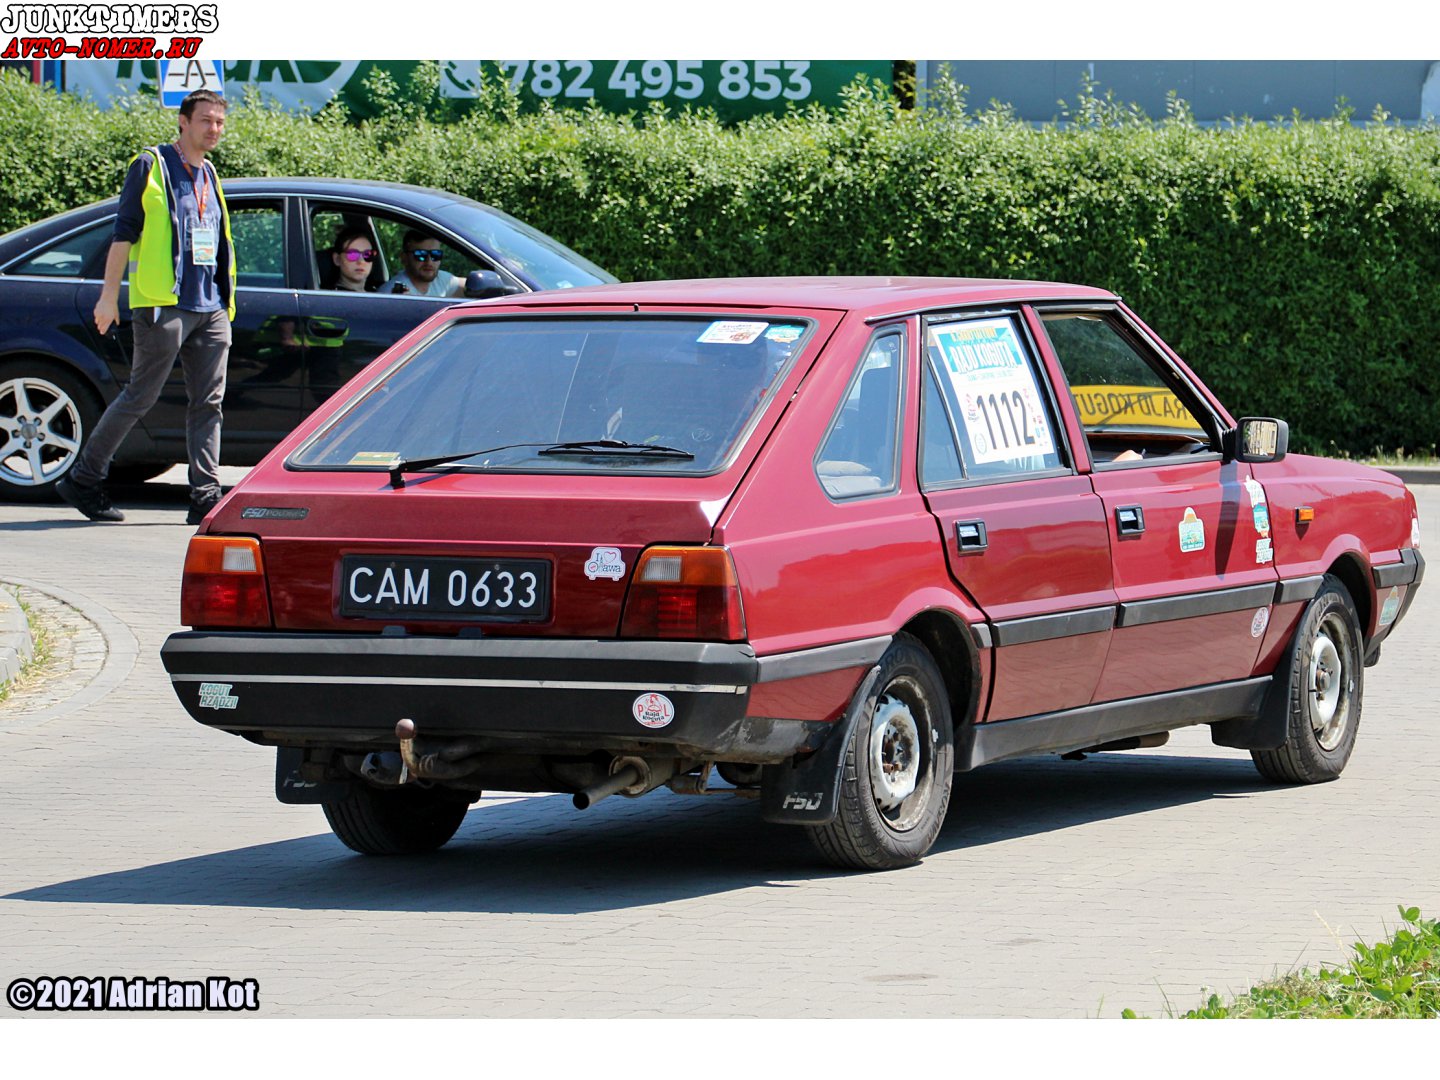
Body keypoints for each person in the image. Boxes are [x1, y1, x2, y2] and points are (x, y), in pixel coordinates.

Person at [57, 88, 235, 525]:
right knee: (141, 395)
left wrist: (227, 297)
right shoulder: (151, 165)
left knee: (208, 403)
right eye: (206, 120)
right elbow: (123, 235)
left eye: (219, 121)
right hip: (162, 303)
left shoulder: (210, 173)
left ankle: (205, 494)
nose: (214, 129)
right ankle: (85, 477)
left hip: (209, 305)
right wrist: (107, 297)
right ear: (183, 121)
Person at [383, 229, 464, 297]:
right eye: (421, 254)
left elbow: (471, 285)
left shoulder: (441, 280)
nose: (429, 261)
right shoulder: (391, 293)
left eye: (435, 255)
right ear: (404, 258)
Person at [329, 225, 379, 292]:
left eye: (368, 254)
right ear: (337, 259)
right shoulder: (332, 297)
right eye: (353, 254)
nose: (361, 261)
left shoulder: (378, 293)